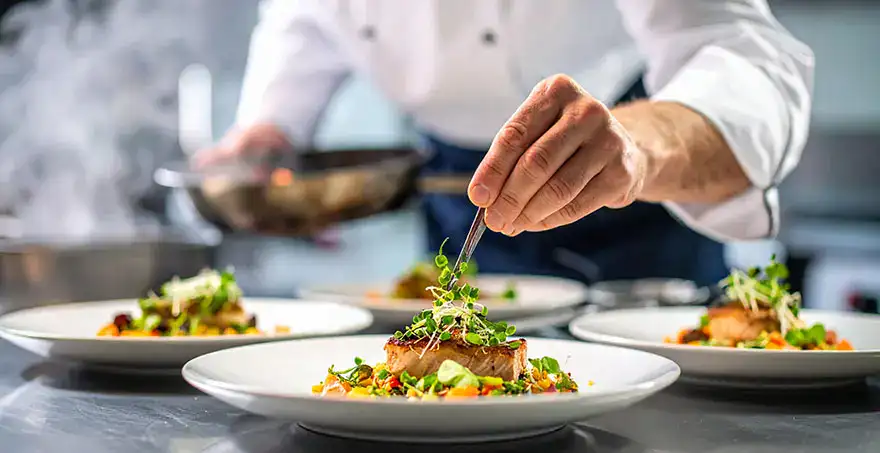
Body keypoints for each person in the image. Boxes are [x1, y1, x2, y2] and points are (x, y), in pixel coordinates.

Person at [197, 0, 814, 287]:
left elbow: (745, 60)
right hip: (453, 194)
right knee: (455, 391)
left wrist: (637, 147)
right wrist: (271, 125)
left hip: (626, 189)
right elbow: (303, 19)